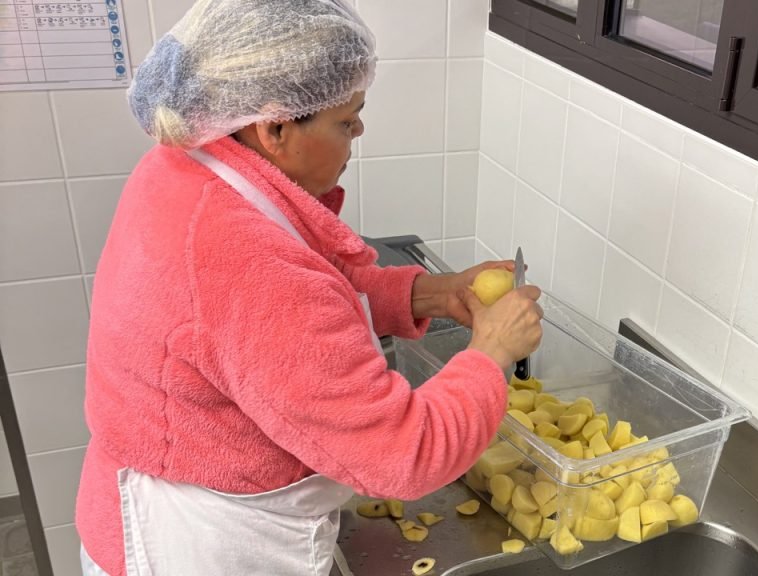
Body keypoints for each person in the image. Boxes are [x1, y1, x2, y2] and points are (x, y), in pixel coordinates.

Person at [75, 1, 543, 574]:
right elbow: (406, 453)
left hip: (151, 494)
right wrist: (491, 354)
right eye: (346, 121)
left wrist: (435, 294)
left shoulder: (191, 165)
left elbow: (310, 284)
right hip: (203, 542)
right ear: (273, 128)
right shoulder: (249, 269)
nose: (360, 130)